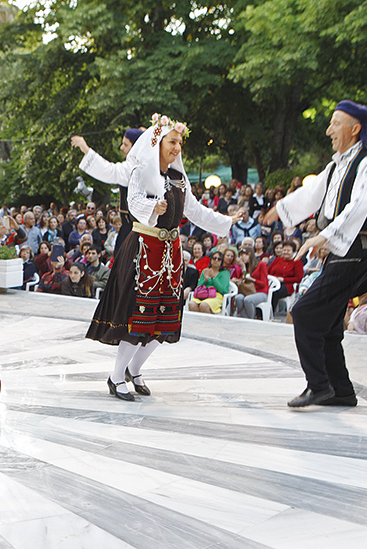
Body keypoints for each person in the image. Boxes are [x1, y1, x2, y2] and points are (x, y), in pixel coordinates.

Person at [86, 114, 240, 401]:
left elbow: (194, 211)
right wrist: (151, 207)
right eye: (172, 141)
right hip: (144, 249)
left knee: (166, 320)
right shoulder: (143, 173)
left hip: (170, 254)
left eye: (180, 142)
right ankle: (116, 376)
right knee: (138, 315)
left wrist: (226, 221)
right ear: (157, 143)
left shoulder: (180, 179)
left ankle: (135, 368)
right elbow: (133, 201)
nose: (177, 147)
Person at [262, 100, 367, 408]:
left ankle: (318, 385)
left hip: (357, 251)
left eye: (335, 123)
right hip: (344, 250)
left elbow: (358, 206)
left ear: (354, 128)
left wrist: (324, 236)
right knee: (329, 322)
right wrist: (279, 209)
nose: (329, 130)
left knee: (305, 312)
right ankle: (341, 390)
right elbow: (312, 193)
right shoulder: (337, 165)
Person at [71, 128, 144, 255]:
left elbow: (109, 171)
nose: (121, 147)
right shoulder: (136, 166)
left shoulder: (136, 169)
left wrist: (85, 148)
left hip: (136, 232)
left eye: (126, 144)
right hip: (130, 230)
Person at [233, 247, 270, 319]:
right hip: (249, 291)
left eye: (242, 256)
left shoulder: (261, 264)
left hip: (261, 292)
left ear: (249, 254)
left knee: (248, 300)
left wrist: (253, 280)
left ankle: (251, 319)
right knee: (238, 298)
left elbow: (263, 283)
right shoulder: (247, 266)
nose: (241, 258)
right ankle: (244, 318)